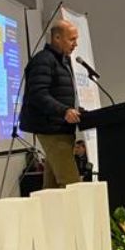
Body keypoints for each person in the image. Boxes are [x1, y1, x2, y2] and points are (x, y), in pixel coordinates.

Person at [21, 19, 84, 188]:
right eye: (72, 39)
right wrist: (64, 111)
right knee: (72, 185)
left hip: (61, 129)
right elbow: (38, 94)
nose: (75, 44)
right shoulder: (43, 60)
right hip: (51, 130)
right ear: (56, 38)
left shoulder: (61, 61)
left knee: (53, 188)